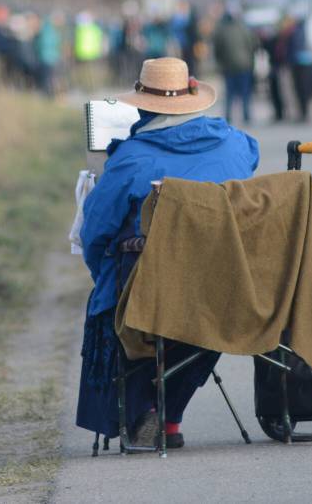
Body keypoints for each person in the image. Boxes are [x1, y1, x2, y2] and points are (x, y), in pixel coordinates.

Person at [76, 57, 259, 449]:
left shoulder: (130, 159)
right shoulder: (236, 143)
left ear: (143, 105)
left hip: (150, 290)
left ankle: (145, 412)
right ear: (193, 99)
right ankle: (170, 417)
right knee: (203, 323)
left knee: (120, 306)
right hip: (226, 287)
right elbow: (249, 170)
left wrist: (101, 274)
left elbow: (95, 233)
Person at [212, 3, 258, 125]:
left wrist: (220, 63)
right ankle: (247, 116)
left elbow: (217, 49)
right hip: (244, 65)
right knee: (245, 93)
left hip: (229, 67)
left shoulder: (222, 29)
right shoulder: (244, 28)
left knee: (229, 94)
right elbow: (253, 45)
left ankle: (228, 117)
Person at [290, 16, 312, 121]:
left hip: (300, 64)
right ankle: (304, 112)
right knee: (304, 90)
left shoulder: (296, 32)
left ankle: (304, 113)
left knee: (301, 90)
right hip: (306, 64)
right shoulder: (307, 31)